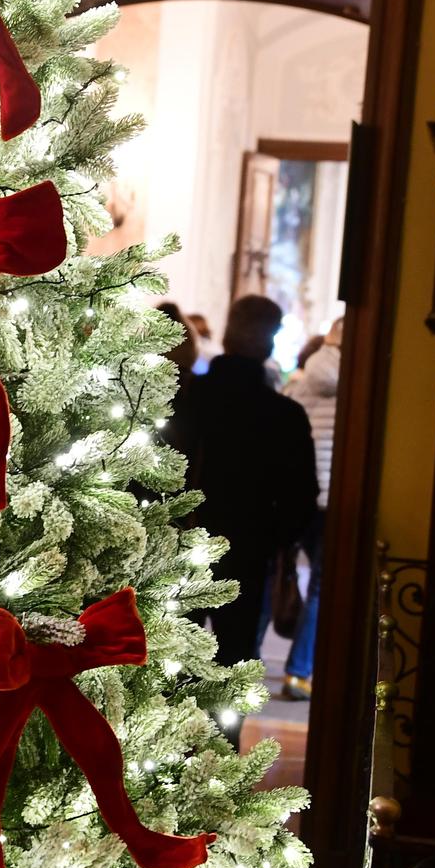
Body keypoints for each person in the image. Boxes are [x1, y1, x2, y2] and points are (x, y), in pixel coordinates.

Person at [164, 292, 319, 668]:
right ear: (268, 341)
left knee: (173, 660)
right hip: (249, 553)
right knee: (235, 662)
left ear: (229, 335)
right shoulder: (285, 415)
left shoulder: (188, 400)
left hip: (183, 544)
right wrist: (278, 540)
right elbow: (301, 496)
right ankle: (224, 729)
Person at [282, 316, 342, 697]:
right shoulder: (353, 383)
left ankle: (290, 666)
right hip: (331, 494)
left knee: (298, 578)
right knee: (323, 585)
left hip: (303, 495)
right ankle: (300, 668)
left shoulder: (305, 380)